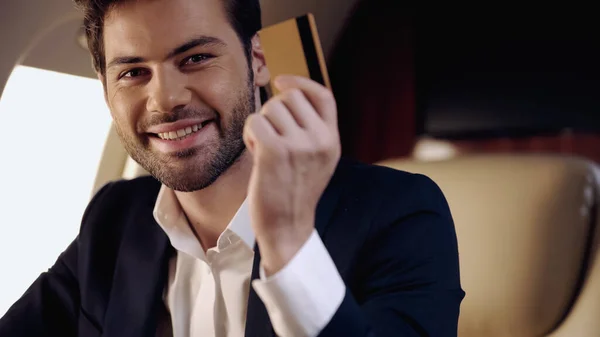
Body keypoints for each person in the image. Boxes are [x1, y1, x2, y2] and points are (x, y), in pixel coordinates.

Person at [0, 0, 464, 336]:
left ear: (257, 61)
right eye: (132, 72)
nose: (165, 99)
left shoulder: (401, 212)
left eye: (196, 58)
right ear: (105, 89)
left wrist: (288, 243)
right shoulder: (113, 218)